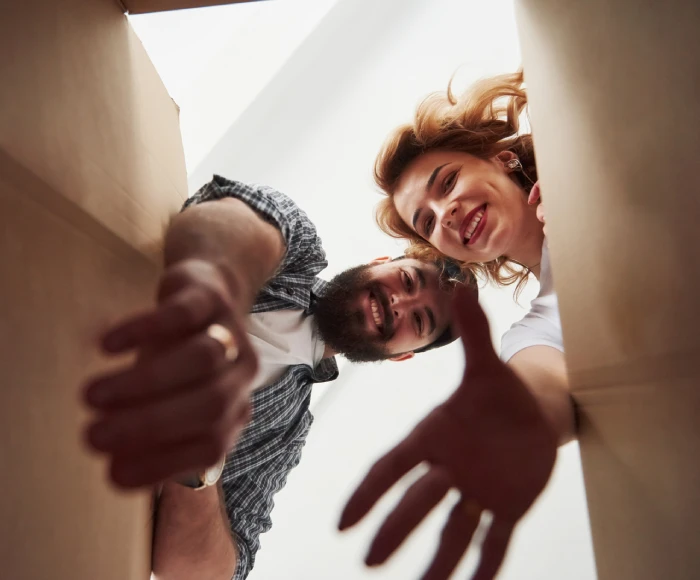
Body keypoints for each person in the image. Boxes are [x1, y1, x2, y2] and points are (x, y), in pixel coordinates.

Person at [81, 175, 473, 579]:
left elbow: (213, 572)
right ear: (380, 262)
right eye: (408, 281)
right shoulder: (298, 253)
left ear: (401, 356)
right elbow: (233, 221)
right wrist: (214, 293)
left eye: (419, 320)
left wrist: (199, 460)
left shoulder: (285, 435)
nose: (398, 303)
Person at [339, 71, 576, 579]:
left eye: (447, 182)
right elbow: (543, 383)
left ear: (501, 158)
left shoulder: (585, 152)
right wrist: (520, 417)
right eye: (427, 222)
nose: (443, 214)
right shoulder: (536, 330)